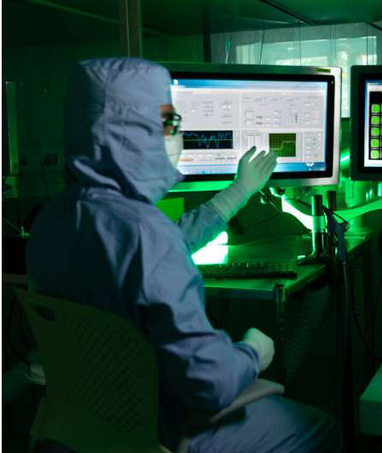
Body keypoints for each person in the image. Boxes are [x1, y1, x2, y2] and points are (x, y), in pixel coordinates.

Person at [26, 57, 341, 452]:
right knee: (322, 429)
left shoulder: (53, 221)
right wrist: (251, 353)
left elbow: (149, 245)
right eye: (170, 125)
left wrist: (238, 191)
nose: (179, 136)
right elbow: (210, 383)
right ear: (135, 135)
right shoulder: (147, 236)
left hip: (84, 426)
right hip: (163, 429)